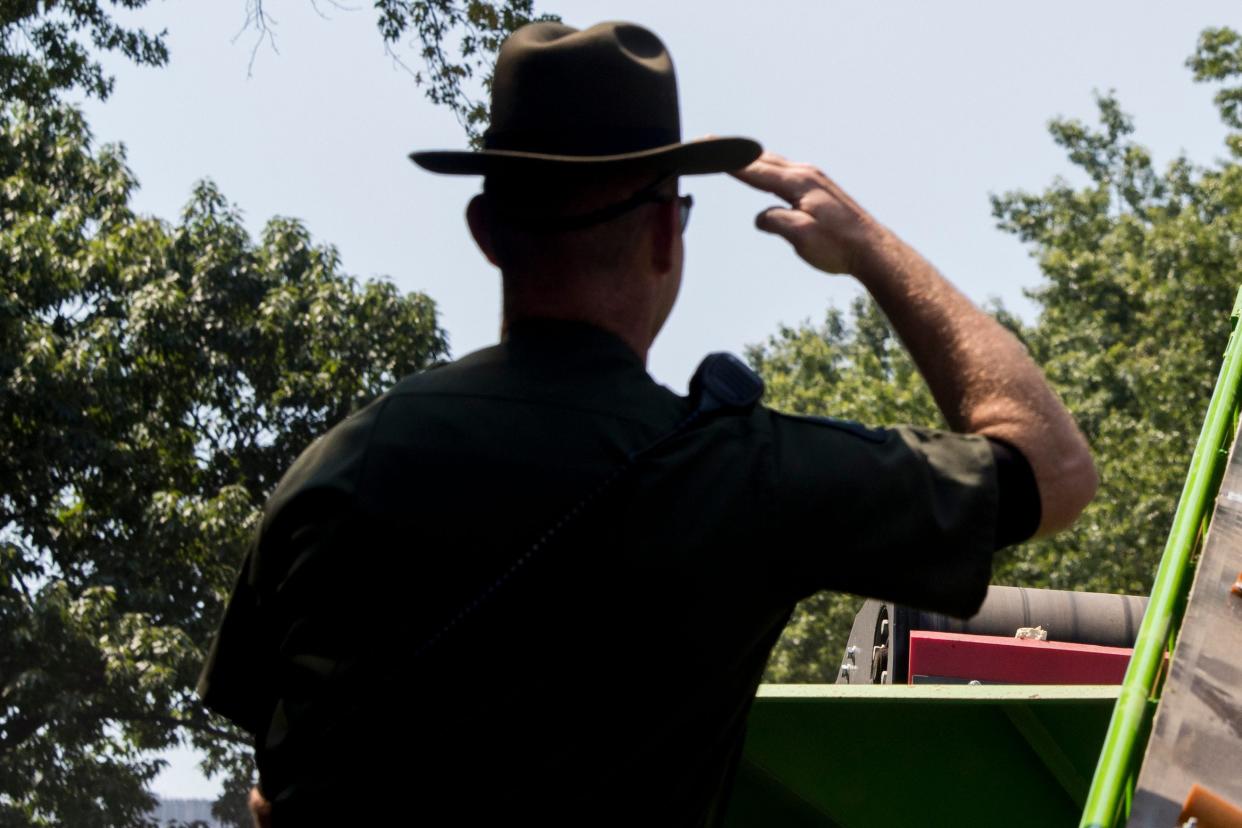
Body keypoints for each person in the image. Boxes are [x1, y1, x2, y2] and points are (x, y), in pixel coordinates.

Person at [198, 20, 1098, 826]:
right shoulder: (746, 478)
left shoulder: (336, 470)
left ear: (485, 230)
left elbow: (271, 789)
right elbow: (1051, 471)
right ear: (670, 233)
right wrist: (866, 245)